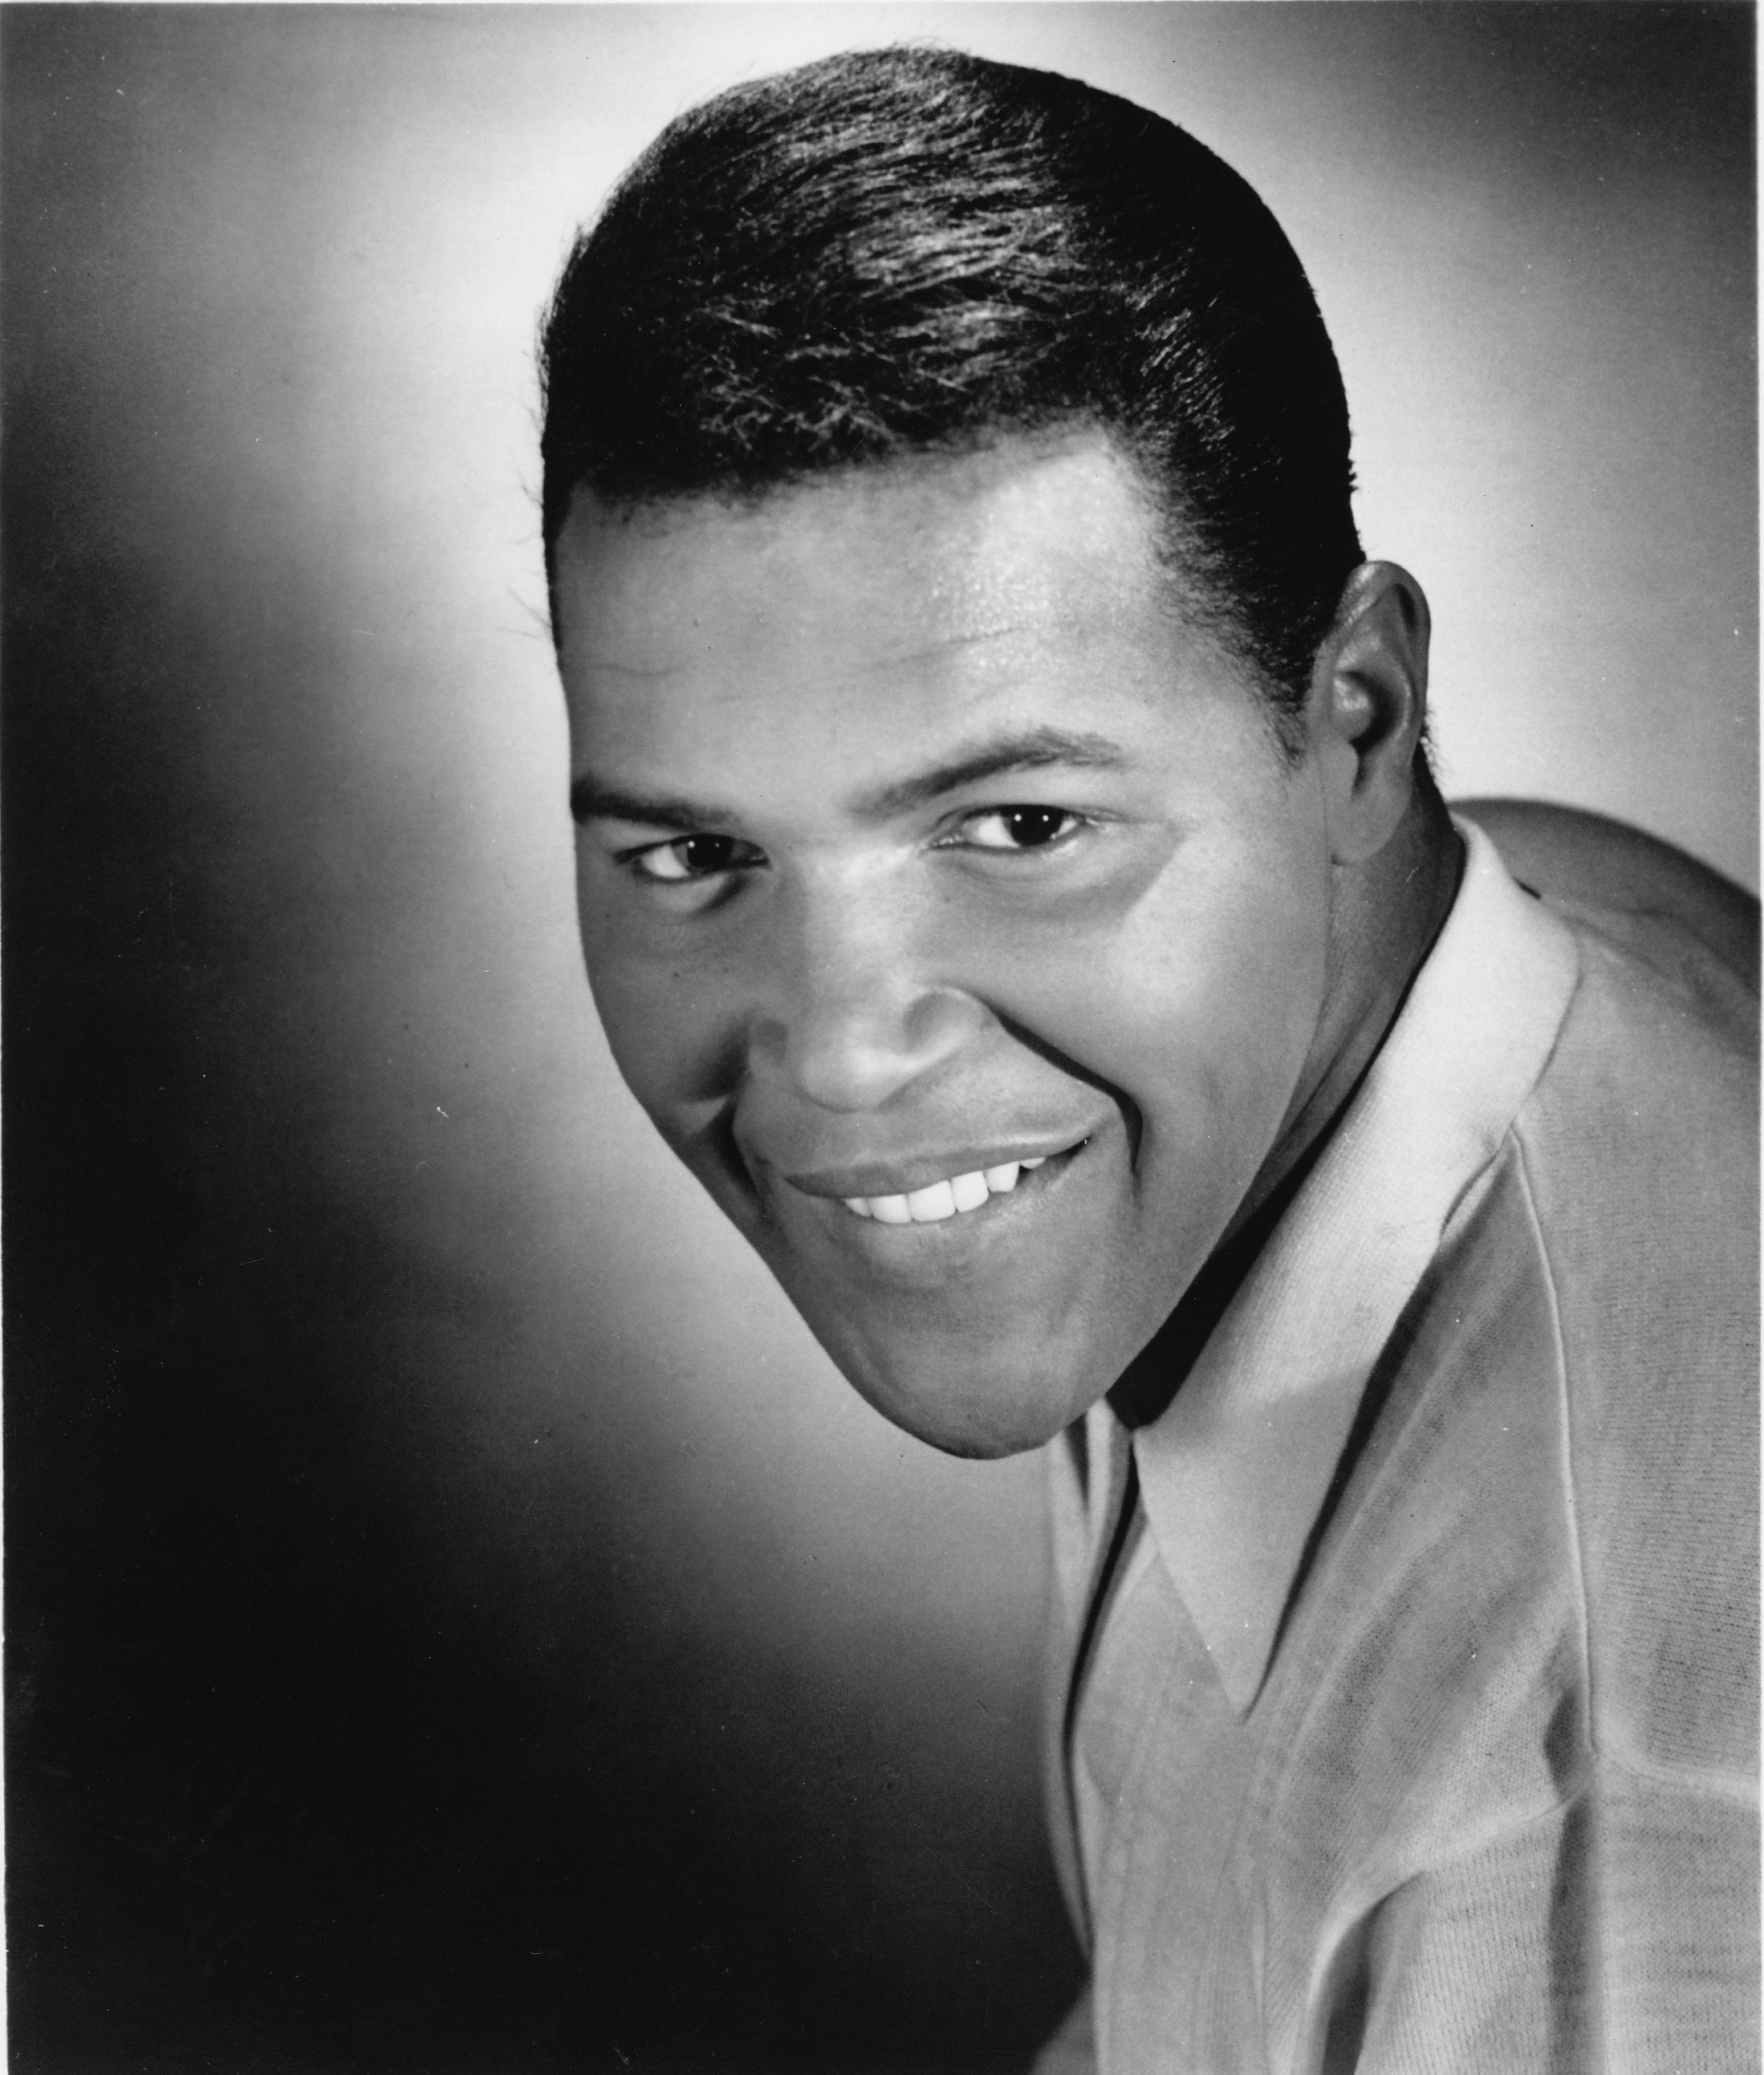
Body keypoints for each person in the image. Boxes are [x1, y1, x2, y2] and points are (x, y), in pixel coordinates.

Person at [538, 47, 1758, 2072]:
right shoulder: (1472, 945)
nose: (846, 1059)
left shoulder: (1591, 1859)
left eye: (1017, 830)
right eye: (694, 855)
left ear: (1356, 722)